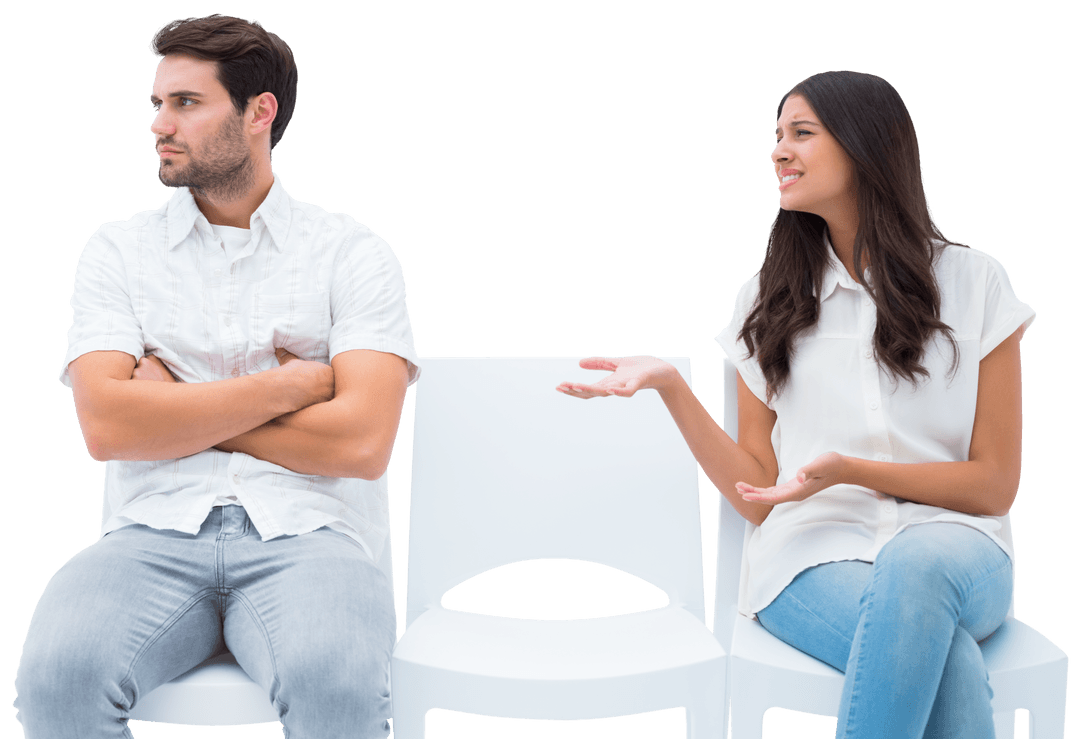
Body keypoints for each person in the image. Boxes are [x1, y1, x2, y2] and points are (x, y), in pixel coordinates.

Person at [557, 70, 1033, 738]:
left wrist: (855, 470)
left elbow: (992, 486)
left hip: (960, 551)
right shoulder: (766, 301)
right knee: (946, 659)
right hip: (812, 560)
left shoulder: (975, 282)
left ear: (865, 145)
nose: (778, 152)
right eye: (777, 137)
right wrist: (670, 387)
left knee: (915, 565)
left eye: (801, 134)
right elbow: (758, 493)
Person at [14, 14, 419, 739]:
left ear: (258, 112)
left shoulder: (352, 254)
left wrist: (178, 411)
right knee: (57, 681)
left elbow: (360, 443)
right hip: (150, 534)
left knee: (339, 687)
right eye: (158, 104)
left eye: (187, 103)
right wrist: (292, 388)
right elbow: (109, 427)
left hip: (312, 536)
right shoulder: (120, 251)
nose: (160, 124)